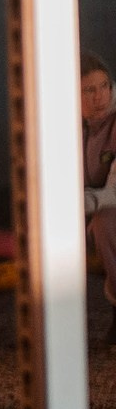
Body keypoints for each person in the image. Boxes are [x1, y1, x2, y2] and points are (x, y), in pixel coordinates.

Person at [84, 52, 116, 315]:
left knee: (105, 221)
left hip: (107, 209)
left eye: (104, 86)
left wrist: (84, 202)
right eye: (89, 90)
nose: (100, 96)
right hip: (88, 211)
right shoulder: (65, 126)